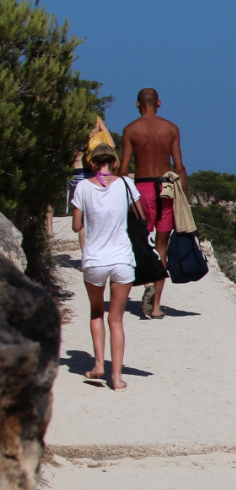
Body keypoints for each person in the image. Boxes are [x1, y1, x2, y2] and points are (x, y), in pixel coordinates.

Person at [70, 144, 137, 390]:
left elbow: (77, 226)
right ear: (114, 161)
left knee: (97, 312)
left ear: (93, 163)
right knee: (117, 319)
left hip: (95, 259)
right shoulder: (126, 184)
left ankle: (99, 364)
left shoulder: (83, 186)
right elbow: (138, 214)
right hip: (122, 258)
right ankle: (117, 377)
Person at [119, 87, 187, 319]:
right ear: (159, 102)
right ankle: (156, 306)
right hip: (166, 190)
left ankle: (147, 282)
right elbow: (179, 167)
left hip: (142, 189)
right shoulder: (171, 129)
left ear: (138, 104)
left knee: (140, 242)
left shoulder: (130, 129)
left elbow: (123, 169)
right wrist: (184, 199)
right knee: (162, 246)